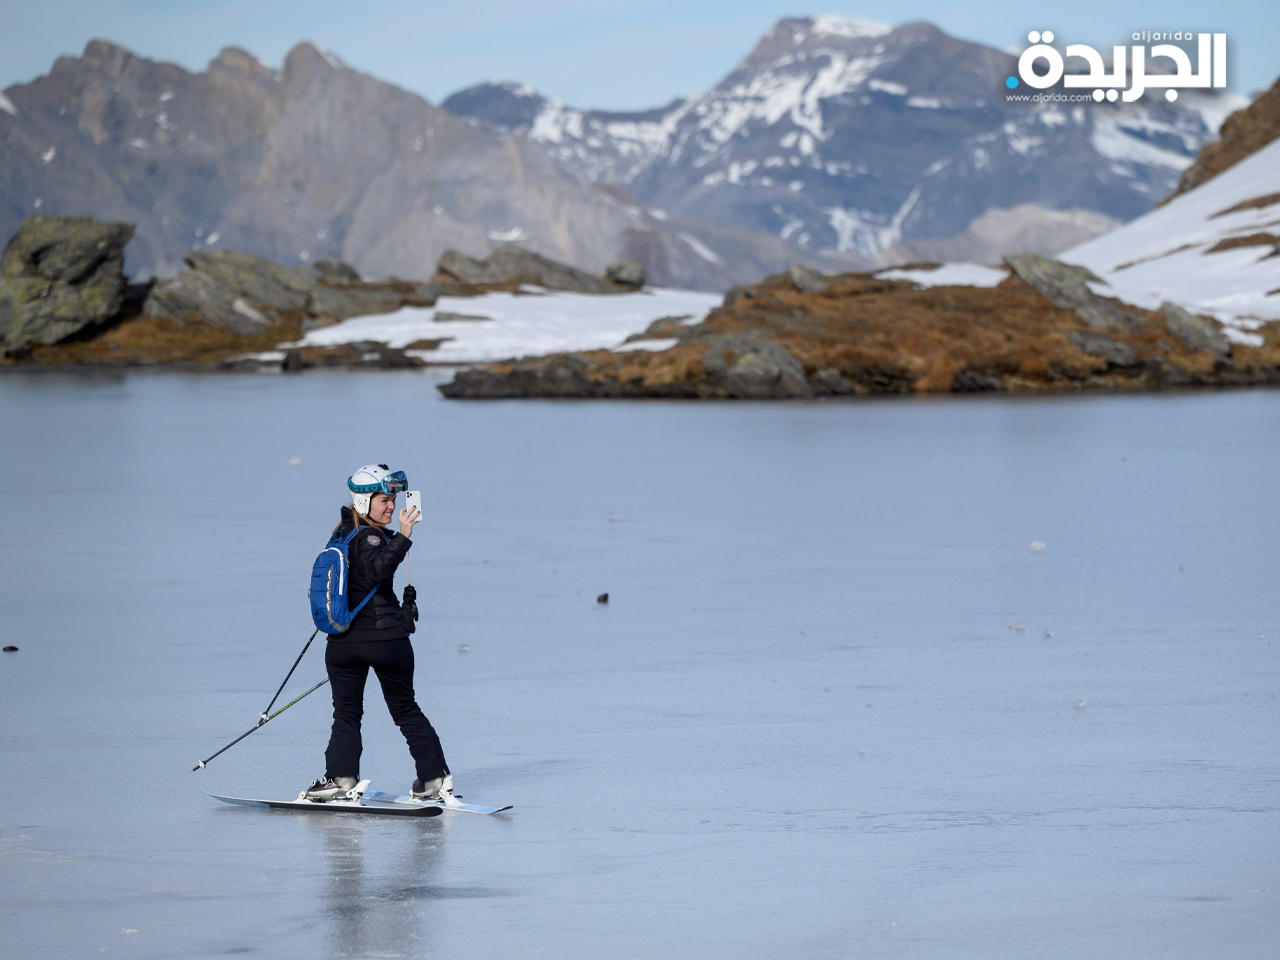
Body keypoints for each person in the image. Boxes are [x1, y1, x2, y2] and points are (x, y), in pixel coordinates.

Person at [304, 463, 453, 802]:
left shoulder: (342, 534)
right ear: (363, 501)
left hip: (344, 643)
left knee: (346, 713)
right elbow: (376, 570)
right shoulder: (371, 537)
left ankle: (340, 778)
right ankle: (432, 778)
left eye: (392, 499)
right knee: (404, 709)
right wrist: (403, 535)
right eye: (384, 500)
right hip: (386, 642)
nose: (391, 506)